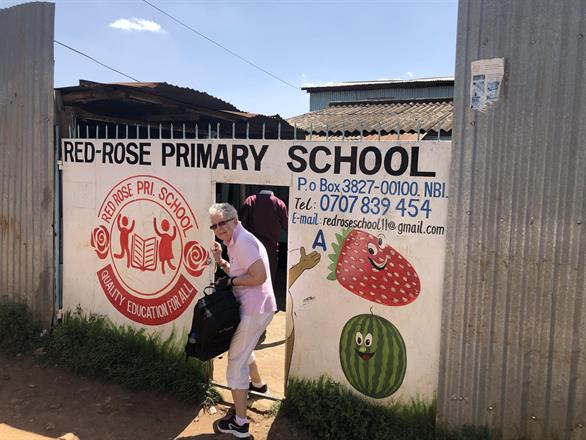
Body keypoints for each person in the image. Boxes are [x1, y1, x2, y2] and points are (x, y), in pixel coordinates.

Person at [209, 203, 277, 439]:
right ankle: (258, 386)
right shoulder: (237, 241)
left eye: (222, 223)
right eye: (214, 225)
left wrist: (230, 284)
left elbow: (258, 277)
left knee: (235, 363)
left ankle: (240, 424)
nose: (219, 229)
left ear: (235, 220)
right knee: (244, 348)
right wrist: (221, 261)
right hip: (259, 308)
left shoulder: (244, 242)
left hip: (253, 309)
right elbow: (241, 272)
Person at [239, 189, 288, 285]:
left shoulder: (250, 200)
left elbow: (240, 226)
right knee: (268, 282)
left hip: (251, 249)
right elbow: (287, 226)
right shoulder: (279, 204)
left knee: (249, 280)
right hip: (271, 250)